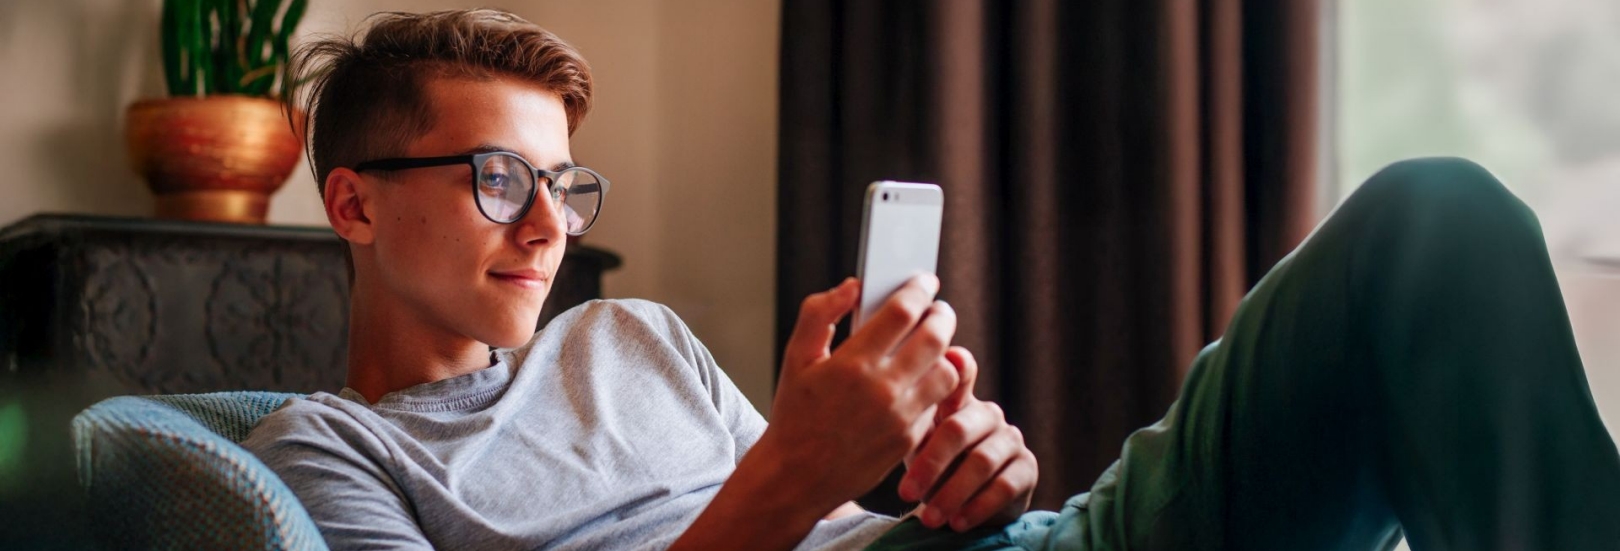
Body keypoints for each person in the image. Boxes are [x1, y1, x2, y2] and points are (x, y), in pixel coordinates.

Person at [244, 8, 1620, 551]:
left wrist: (943, 475)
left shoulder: (635, 337)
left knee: (1429, 218)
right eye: (498, 178)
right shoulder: (321, 451)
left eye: (565, 185)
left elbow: (806, 521)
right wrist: (796, 466)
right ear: (353, 199)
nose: (546, 224)